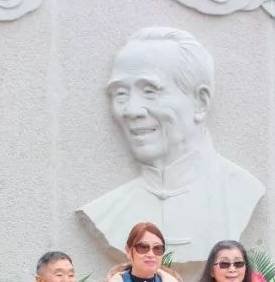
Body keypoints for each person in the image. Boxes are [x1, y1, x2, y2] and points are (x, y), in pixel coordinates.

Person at [78, 27, 264, 263]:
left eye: (150, 91)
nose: (132, 111)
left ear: (200, 102)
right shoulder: (107, 212)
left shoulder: (241, 193)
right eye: (121, 94)